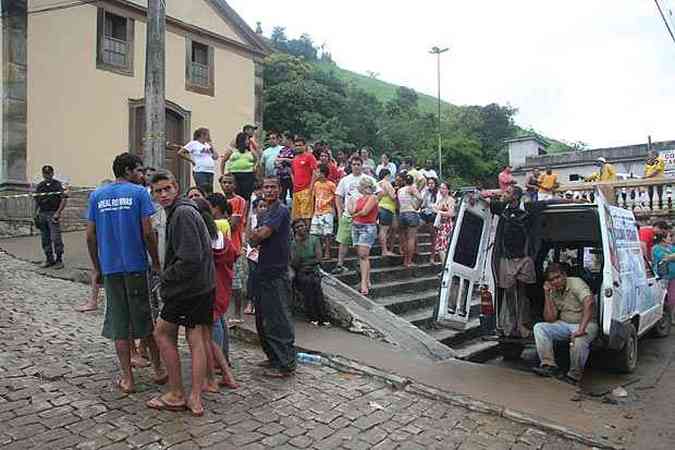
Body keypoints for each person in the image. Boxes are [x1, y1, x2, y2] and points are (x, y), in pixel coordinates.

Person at [86, 153, 166, 395]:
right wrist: (156, 262)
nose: (141, 175)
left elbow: (90, 235)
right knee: (144, 319)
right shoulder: (139, 193)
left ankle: (128, 379)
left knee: (119, 324)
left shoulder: (96, 195)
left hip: (111, 268)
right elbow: (148, 232)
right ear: (129, 170)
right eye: (138, 170)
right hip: (136, 266)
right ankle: (159, 370)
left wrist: (97, 266)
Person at [147, 170, 214, 416]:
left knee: (162, 333)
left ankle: (176, 394)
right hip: (203, 285)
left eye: (167, 189)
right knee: (196, 340)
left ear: (176, 187)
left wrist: (166, 278)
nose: (163, 194)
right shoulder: (182, 210)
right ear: (152, 194)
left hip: (188, 288)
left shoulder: (182, 213)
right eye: (158, 191)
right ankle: (195, 398)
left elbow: (190, 259)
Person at [249, 177, 296, 378]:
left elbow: (261, 235)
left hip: (276, 272)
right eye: (265, 187)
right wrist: (256, 233)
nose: (268, 190)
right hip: (262, 269)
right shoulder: (264, 212)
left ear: (279, 189)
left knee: (278, 318)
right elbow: (253, 239)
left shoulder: (279, 210)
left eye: (272, 187)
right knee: (263, 318)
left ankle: (285, 363)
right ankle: (273, 357)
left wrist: (256, 233)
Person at [192, 198, 238, 392]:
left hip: (207, 291)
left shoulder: (201, 241)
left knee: (206, 337)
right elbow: (235, 254)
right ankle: (223, 374)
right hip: (221, 291)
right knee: (213, 332)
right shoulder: (221, 238)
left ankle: (215, 376)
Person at [533, 263, 598, 385]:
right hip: (565, 323)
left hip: (586, 323)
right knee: (539, 327)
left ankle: (574, 376)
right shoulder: (553, 290)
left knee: (579, 341)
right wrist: (547, 295)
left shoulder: (575, 283)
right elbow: (550, 318)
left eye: (558, 277)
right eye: (552, 279)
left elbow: (589, 302)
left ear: (564, 275)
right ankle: (549, 365)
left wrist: (581, 329)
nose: (555, 281)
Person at [490, 187, 540, 338]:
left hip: (524, 258)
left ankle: (522, 324)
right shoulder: (502, 208)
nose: (504, 195)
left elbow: (549, 203)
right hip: (507, 258)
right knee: (509, 292)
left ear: (516, 196)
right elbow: (483, 202)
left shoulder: (528, 208)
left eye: (508, 193)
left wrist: (572, 200)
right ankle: (510, 325)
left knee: (522, 292)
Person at [333, 157, 379, 274]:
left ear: (362, 165)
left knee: (360, 244)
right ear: (351, 165)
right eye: (354, 164)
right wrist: (339, 212)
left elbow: (380, 192)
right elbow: (338, 196)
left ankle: (360, 265)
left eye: (358, 164)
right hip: (348, 214)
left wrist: (372, 206)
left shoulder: (369, 179)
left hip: (364, 218)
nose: (356, 166)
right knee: (343, 241)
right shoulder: (345, 180)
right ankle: (340, 264)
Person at [219, 174, 247, 323]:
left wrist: (219, 221)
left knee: (236, 283)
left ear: (235, 185)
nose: (227, 185)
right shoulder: (219, 200)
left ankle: (238, 313)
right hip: (220, 246)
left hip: (235, 246)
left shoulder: (239, 201)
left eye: (230, 183)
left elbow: (234, 224)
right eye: (224, 182)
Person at [291, 220, 330, 326]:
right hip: (301, 272)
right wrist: (298, 245)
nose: (300, 228)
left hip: (313, 269)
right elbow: (295, 263)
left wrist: (307, 264)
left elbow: (319, 258)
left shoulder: (314, 240)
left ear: (306, 226)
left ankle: (323, 317)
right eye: (297, 227)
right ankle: (313, 316)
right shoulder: (294, 243)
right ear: (294, 230)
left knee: (316, 285)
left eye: (302, 226)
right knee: (307, 286)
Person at [350, 177, 379, 295]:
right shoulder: (359, 198)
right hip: (356, 226)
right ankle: (366, 280)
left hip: (367, 227)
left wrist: (353, 214)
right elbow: (351, 209)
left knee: (363, 255)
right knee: (361, 255)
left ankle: (363, 284)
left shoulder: (373, 197)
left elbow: (365, 211)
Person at [34, 165, 67, 269]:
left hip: (53, 214)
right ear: (43, 174)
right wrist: (35, 214)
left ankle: (59, 260)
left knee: (56, 238)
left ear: (52, 173)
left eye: (49, 173)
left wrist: (58, 212)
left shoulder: (57, 185)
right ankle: (49, 259)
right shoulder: (40, 186)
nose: (47, 175)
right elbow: (36, 201)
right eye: (45, 173)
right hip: (43, 214)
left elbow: (63, 199)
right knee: (45, 239)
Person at [176, 128, 218, 194]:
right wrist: (191, 161)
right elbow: (180, 153)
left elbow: (216, 157)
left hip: (210, 171)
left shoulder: (208, 145)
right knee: (202, 190)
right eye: (207, 134)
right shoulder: (193, 143)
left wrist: (212, 146)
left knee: (210, 191)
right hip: (200, 171)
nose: (209, 136)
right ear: (202, 135)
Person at [245, 198, 267, 316]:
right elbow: (248, 237)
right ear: (255, 209)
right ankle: (250, 302)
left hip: (265, 252)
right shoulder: (252, 219)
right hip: (253, 252)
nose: (263, 209)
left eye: (265, 206)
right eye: (260, 206)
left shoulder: (270, 220)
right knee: (252, 275)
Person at [222, 132, 258, 204]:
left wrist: (254, 167)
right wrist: (223, 174)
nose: (248, 141)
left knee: (246, 196)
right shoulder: (232, 151)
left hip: (248, 175)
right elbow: (223, 162)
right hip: (234, 175)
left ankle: (245, 213)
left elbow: (256, 159)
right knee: (235, 194)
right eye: (247, 140)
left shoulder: (250, 151)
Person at [310, 164, 337, 260]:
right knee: (315, 233)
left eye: (318, 172)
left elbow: (336, 197)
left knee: (327, 233)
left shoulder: (331, 184)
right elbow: (312, 196)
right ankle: (318, 252)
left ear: (323, 173)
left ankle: (327, 253)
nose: (316, 174)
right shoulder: (316, 184)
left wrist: (335, 209)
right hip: (317, 211)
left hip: (327, 211)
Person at [398, 173, 423, 268]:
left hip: (402, 213)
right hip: (411, 213)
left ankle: (405, 259)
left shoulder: (400, 190)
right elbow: (420, 198)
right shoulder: (412, 188)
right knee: (411, 238)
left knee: (404, 239)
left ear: (404, 181)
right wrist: (417, 207)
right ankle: (408, 261)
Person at [291, 136, 318, 222]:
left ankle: (307, 234)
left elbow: (315, 172)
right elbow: (292, 173)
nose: (298, 147)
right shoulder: (294, 159)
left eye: (300, 145)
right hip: (296, 190)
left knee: (306, 215)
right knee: (296, 216)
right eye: (296, 145)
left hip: (306, 189)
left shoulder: (309, 157)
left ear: (305, 146)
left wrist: (311, 187)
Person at [652, 231, 675, 315]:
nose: (671, 238)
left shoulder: (671, 247)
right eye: (669, 236)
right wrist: (670, 257)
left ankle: (671, 316)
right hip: (663, 276)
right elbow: (664, 257)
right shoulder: (656, 248)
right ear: (663, 239)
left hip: (673, 277)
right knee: (662, 298)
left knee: (672, 298)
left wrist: (670, 257)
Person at [377, 169, 398, 257]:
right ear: (387, 175)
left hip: (383, 207)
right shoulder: (386, 183)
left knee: (394, 227)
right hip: (387, 208)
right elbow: (392, 196)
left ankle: (389, 248)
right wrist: (396, 191)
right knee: (383, 230)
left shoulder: (378, 184)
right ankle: (384, 250)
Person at [433, 182, 455, 263]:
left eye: (443, 188)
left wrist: (440, 212)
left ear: (448, 190)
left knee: (443, 248)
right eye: (440, 188)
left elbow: (451, 213)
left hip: (446, 225)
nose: (441, 190)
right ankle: (444, 265)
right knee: (440, 248)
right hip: (440, 225)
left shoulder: (450, 200)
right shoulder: (440, 200)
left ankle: (445, 266)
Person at [420, 177, 439, 264]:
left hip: (433, 215)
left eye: (432, 183)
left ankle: (432, 257)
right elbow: (423, 204)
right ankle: (416, 250)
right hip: (425, 213)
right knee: (415, 228)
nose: (430, 185)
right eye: (429, 183)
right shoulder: (426, 192)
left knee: (433, 237)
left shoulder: (438, 193)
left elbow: (437, 205)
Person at [276, 132, 295, 204]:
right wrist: (277, 163)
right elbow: (277, 159)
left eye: (283, 138)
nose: (281, 140)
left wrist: (284, 159)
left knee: (292, 194)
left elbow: (295, 161)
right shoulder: (283, 149)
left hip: (291, 176)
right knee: (282, 195)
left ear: (289, 140)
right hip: (281, 176)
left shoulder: (294, 149)